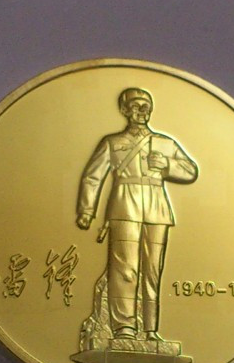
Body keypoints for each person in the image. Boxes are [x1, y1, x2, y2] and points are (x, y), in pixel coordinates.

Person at [76, 88, 198, 340]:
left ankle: (151, 329)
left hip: (157, 209)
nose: (141, 111)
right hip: (124, 206)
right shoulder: (112, 142)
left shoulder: (165, 143)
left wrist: (167, 165)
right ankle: (124, 327)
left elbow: (190, 171)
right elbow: (92, 176)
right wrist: (87, 210)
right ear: (123, 110)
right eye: (135, 106)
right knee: (124, 269)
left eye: (145, 106)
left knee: (153, 271)